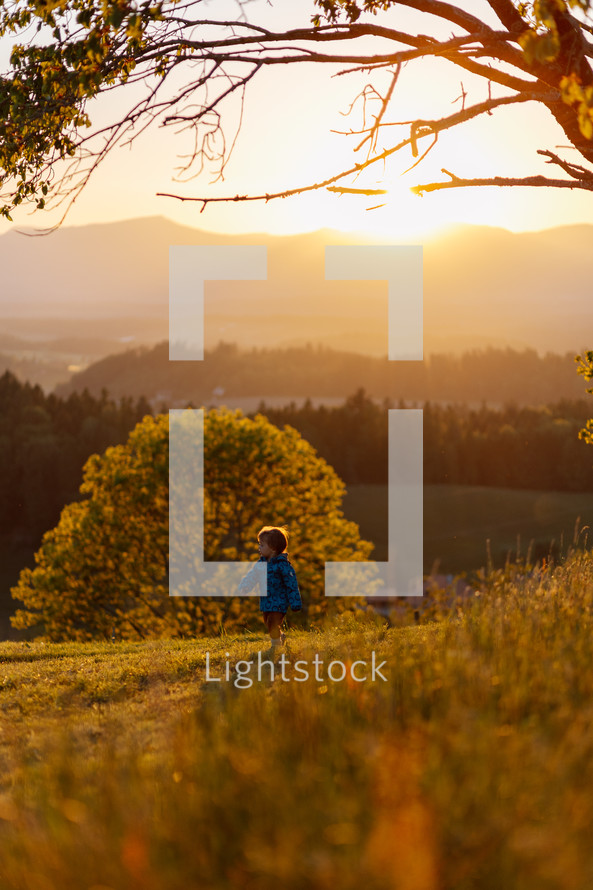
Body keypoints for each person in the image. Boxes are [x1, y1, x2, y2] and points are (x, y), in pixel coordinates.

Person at [238, 525, 302, 655]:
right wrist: (245, 586)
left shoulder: (283, 566)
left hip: (280, 601)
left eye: (262, 545)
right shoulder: (261, 564)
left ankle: (275, 648)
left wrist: (295, 602)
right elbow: (252, 576)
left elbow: (291, 584)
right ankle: (281, 636)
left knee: (273, 622)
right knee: (268, 623)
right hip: (266, 601)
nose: (259, 548)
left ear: (272, 548)